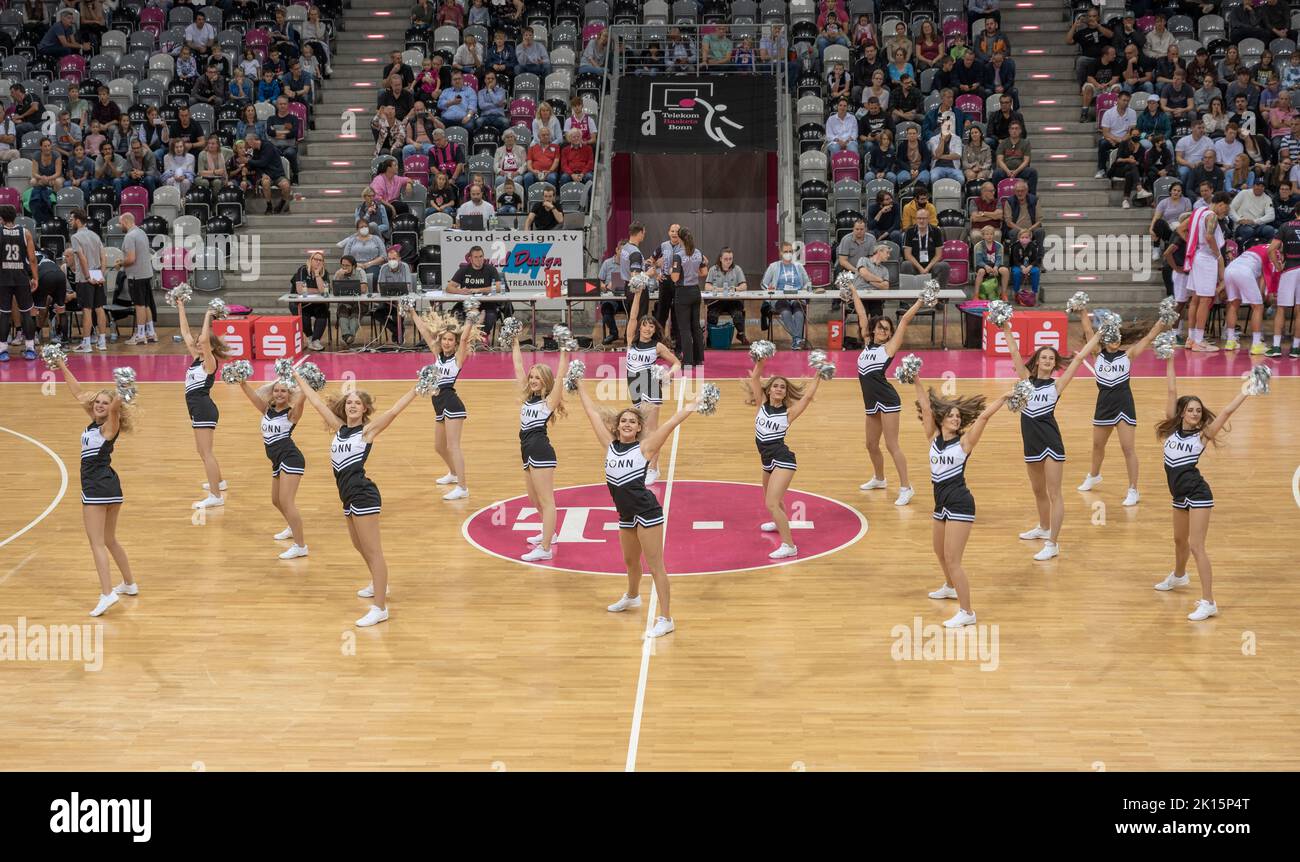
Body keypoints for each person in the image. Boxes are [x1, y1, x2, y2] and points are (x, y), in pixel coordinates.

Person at [574, 380, 700, 639]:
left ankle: (666, 619)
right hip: (626, 514)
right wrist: (579, 385)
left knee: (656, 567)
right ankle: (632, 597)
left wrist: (692, 406)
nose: (627, 424)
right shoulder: (609, 446)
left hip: (647, 512)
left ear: (639, 428)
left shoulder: (644, 448)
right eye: (624, 421)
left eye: (633, 421)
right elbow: (591, 414)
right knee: (631, 562)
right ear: (617, 426)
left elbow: (670, 424)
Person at [295, 371, 421, 627]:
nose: (352, 405)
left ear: (364, 410)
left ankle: (380, 608)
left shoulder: (367, 431)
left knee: (374, 551)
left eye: (357, 403)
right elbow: (317, 403)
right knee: (358, 545)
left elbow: (395, 411)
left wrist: (417, 389)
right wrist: (297, 377)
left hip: (364, 495)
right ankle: (378, 584)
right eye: (349, 402)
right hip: (347, 496)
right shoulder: (340, 429)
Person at [1154, 353, 1254, 621]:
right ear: (1182, 412)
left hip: (1198, 494)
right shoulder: (1171, 430)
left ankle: (1209, 602)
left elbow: (1226, 412)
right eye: (1191, 410)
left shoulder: (1203, 435)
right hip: (1178, 495)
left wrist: (1247, 388)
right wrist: (1170, 358)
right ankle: (1179, 576)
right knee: (1178, 540)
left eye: (1199, 411)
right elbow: (1172, 388)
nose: (1196, 413)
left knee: (1196, 546)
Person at [1002, 319, 1104, 561]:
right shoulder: (1025, 381)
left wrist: (1098, 336)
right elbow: (1014, 351)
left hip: (1050, 443)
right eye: (1043, 357)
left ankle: (1053, 543)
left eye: (1051, 358)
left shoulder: (1056, 385)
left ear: (1054, 363)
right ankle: (1044, 526)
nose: (1047, 361)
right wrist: (1004, 326)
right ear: (1037, 360)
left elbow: (1078, 360)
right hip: (1030, 443)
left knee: (1054, 492)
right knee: (1038, 491)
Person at [913, 376, 1010, 628]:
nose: (956, 419)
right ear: (942, 418)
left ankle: (967, 612)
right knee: (939, 550)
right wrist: (915, 379)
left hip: (960, 503)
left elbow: (983, 418)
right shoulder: (933, 437)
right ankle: (949, 586)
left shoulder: (964, 443)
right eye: (951, 415)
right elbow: (925, 407)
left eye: (958, 416)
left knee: (953, 559)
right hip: (940, 503)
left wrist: (1002, 398)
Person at [53, 355, 137, 617]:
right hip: (110, 486)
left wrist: (121, 392)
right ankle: (129, 583)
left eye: (104, 403)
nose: (100, 406)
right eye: (97, 402)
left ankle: (106, 593)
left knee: (96, 543)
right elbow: (78, 393)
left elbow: (113, 409)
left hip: (96, 487)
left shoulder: (110, 425)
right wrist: (61, 364)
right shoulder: (96, 421)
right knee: (110, 539)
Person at [1075, 313, 1169, 507]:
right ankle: (1094, 475)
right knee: (1097, 446)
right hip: (1104, 406)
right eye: (1111, 335)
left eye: (1118, 336)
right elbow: (1087, 330)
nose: (1116, 339)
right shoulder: (1097, 354)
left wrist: (1161, 322)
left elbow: (1149, 337)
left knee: (1128, 449)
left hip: (1124, 406)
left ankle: (1133, 489)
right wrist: (1082, 312)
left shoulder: (1128, 355)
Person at [848, 286, 924, 505]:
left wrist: (920, 300)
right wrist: (853, 290)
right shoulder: (867, 344)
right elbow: (862, 313)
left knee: (892, 445)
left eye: (886, 329)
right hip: (870, 401)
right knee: (871, 444)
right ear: (873, 330)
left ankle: (906, 487)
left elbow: (905, 322)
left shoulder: (889, 348)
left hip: (888, 400)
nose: (883, 331)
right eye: (880, 328)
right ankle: (880, 479)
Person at [747, 351, 824, 560]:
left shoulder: (788, 413)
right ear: (769, 390)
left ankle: (789, 545)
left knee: (771, 502)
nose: (779, 389)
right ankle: (777, 521)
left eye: (782, 386)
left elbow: (807, 397)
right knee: (773, 500)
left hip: (783, 460)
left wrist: (819, 373)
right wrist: (761, 360)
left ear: (785, 391)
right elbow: (754, 378)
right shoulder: (760, 404)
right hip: (767, 461)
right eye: (776, 385)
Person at [407, 309, 481, 501]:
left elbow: (464, 340)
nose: (447, 342)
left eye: (450, 340)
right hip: (437, 402)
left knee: (453, 446)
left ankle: (463, 487)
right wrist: (412, 311)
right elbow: (424, 331)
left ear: (455, 343)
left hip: (451, 402)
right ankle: (454, 474)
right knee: (439, 447)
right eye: (444, 339)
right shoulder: (437, 355)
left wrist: (470, 321)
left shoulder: (458, 359)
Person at [511, 337, 571, 561]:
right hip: (526, 450)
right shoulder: (528, 398)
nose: (533, 380)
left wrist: (564, 350)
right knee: (533, 499)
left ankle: (545, 548)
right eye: (532, 376)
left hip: (540, 450)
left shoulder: (548, 403)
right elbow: (518, 366)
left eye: (538, 377)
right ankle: (550, 534)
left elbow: (561, 374)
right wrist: (514, 341)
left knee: (547, 501)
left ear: (545, 381)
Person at [237, 377, 308, 560]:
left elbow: (301, 401)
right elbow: (252, 396)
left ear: (289, 394)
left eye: (283, 391)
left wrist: (306, 385)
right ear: (272, 392)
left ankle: (300, 546)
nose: (279, 394)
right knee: (276, 500)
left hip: (290, 458)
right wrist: (242, 381)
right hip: (276, 460)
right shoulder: (267, 410)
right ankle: (292, 528)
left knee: (286, 501)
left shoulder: (291, 414)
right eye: (276, 390)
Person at [176, 296, 230, 509]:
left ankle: (215, 496)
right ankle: (220, 481)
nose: (197, 344)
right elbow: (186, 334)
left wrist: (208, 315)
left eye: (201, 343)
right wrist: (181, 306)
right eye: (197, 344)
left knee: (206, 452)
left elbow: (205, 340)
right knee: (202, 451)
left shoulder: (210, 361)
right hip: (197, 408)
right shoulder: (197, 358)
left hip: (203, 407)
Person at [623, 286, 682, 483]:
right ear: (639, 327)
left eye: (652, 326)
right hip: (634, 387)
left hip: (650, 385)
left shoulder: (657, 346)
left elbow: (676, 363)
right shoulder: (631, 341)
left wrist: (668, 375)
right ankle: (645, 464)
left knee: (650, 430)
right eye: (645, 325)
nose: (648, 328)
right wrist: (638, 293)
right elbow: (632, 317)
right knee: (641, 429)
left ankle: (653, 468)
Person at [1183, 192, 1232, 352]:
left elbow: (1180, 229)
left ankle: (1191, 339)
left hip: (1197, 256)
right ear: (1221, 204)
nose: (1225, 212)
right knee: (1205, 300)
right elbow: (1210, 237)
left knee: (1195, 299)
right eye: (1225, 209)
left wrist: (1194, 244)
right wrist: (1218, 255)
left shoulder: (1198, 212)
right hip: (1206, 259)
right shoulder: (1211, 216)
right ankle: (1198, 341)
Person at [66, 210, 108, 354]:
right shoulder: (95, 235)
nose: (70, 221)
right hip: (97, 272)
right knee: (99, 308)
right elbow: (103, 256)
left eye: (71, 219)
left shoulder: (76, 237)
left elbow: (82, 258)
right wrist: (101, 274)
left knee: (87, 310)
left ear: (78, 220)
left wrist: (87, 276)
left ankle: (87, 343)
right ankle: (102, 342)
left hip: (85, 276)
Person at [0, 205, 38, 362]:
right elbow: (33, 259)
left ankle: (3, 351)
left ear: (1, 219)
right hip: (21, 278)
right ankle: (30, 348)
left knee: (4, 314)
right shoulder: (25, 232)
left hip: (3, 278)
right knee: (26, 313)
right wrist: (35, 278)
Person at [760, 241, 813, 349]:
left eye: (790, 251)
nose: (788, 253)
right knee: (786, 312)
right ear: (780, 253)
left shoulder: (799, 266)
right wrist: (769, 289)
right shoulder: (773, 266)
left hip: (796, 296)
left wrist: (804, 289)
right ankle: (798, 339)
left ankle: (796, 341)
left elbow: (807, 282)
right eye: (785, 251)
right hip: (780, 297)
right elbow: (763, 283)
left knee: (799, 313)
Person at [669, 227, 708, 368]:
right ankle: (699, 359)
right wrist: (693, 272)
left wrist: (670, 270)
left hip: (683, 293)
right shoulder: (698, 253)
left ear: (679, 239)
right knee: (696, 326)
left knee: (684, 328)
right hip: (696, 292)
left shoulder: (678, 255)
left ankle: (688, 361)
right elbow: (704, 272)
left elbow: (674, 278)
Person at [116, 212, 156, 346]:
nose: (120, 226)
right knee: (145, 304)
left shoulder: (129, 236)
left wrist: (120, 263)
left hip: (136, 275)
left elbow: (131, 259)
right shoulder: (141, 233)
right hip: (145, 273)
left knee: (139, 305)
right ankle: (150, 333)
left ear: (126, 222)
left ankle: (140, 335)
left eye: (120, 223)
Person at [1267, 214, 1300, 356]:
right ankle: (1296, 349)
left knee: (1281, 309)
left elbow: (1271, 249)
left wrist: (1277, 265)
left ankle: (1275, 347)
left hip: (1289, 269)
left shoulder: (1285, 226)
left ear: (1296, 213)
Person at [704, 247, 748, 347]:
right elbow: (707, 286)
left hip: (732, 300)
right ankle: (710, 338)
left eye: (730, 259)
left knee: (738, 316)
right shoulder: (713, 269)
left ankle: (741, 334)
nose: (728, 261)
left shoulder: (737, 269)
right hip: (717, 300)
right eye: (726, 259)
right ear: (720, 259)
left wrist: (735, 288)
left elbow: (744, 286)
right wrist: (719, 290)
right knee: (712, 316)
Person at [291, 251, 331, 350]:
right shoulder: (303, 270)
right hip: (300, 303)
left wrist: (317, 275)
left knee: (323, 311)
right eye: (315, 259)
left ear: (323, 263)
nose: (318, 262)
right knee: (303, 315)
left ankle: (315, 340)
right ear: (310, 260)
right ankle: (310, 337)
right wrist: (317, 290)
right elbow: (300, 290)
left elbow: (324, 291)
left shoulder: (324, 273)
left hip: (317, 303)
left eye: (320, 260)